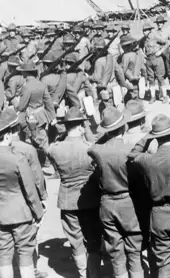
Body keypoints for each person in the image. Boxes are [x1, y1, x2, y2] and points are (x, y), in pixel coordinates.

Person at [0, 115, 44, 278]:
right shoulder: (18, 159)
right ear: (7, 135)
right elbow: (30, 190)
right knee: (25, 255)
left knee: (4, 256)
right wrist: (38, 213)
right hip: (21, 214)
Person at [128, 114, 170, 278]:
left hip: (158, 217)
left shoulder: (147, 160)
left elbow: (132, 154)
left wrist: (148, 137)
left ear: (156, 138)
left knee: (164, 265)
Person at [87, 108, 144, 278]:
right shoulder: (130, 149)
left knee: (115, 251)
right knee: (134, 250)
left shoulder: (99, 151)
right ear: (123, 128)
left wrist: (106, 135)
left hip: (107, 203)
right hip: (128, 202)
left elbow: (92, 148)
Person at [47, 108, 102, 278]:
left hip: (67, 199)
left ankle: (82, 273)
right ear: (80, 127)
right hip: (90, 199)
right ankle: (93, 274)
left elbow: (51, 153)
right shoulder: (90, 148)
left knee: (75, 240)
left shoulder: (54, 149)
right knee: (92, 239)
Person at [15, 60, 55, 176]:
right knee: (40, 139)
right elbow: (48, 101)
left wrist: (16, 106)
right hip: (41, 115)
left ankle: (51, 163)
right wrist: (52, 116)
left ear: (25, 73)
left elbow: (22, 106)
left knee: (40, 141)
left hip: (31, 116)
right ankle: (40, 163)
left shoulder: (27, 87)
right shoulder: (41, 84)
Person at [141, 21, 170, 104]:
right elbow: (139, 47)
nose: (144, 32)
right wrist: (143, 54)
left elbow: (167, 42)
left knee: (160, 78)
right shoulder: (143, 39)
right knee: (151, 79)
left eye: (146, 30)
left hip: (157, 59)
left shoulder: (155, 36)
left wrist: (161, 51)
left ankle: (164, 96)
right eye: (143, 31)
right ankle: (153, 97)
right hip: (148, 60)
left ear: (150, 30)